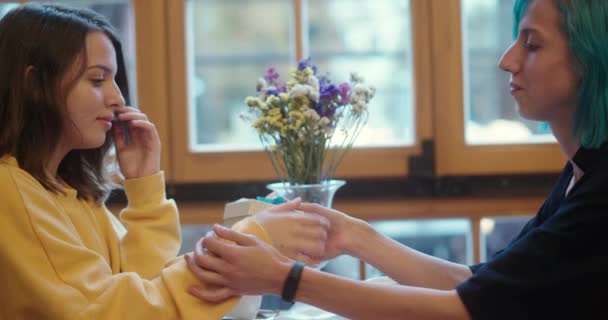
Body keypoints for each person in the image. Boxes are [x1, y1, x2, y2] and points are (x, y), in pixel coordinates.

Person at [186, 0, 608, 318]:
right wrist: (355, 236)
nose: (506, 60)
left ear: (592, 59)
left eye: (531, 44)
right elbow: (484, 286)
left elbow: (462, 311)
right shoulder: (581, 173)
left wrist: (285, 278)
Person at [0, 4, 330, 319]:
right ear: (34, 83)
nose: (117, 98)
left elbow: (144, 285)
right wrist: (249, 239)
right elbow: (111, 312)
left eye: (114, 80)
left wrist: (145, 190)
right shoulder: (11, 191)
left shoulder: (66, 191)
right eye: (97, 80)